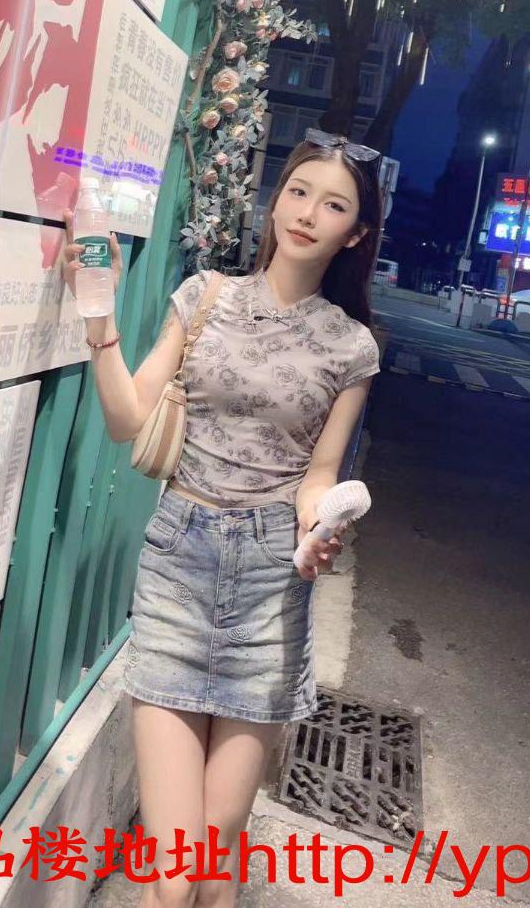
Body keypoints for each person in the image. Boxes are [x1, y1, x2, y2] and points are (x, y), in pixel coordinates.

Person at [61, 129, 383, 907]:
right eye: (298, 192)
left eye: (333, 205)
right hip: (180, 562)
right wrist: (99, 317)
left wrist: (320, 530)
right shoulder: (206, 296)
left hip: (272, 585)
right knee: (175, 875)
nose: (307, 213)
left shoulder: (352, 347)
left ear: (355, 232)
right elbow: (127, 417)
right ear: (275, 201)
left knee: (214, 854)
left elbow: (318, 472)